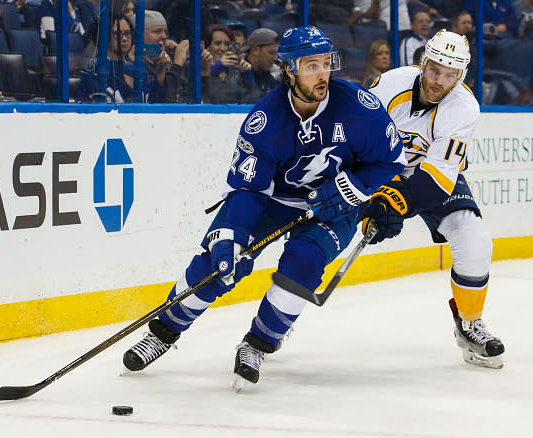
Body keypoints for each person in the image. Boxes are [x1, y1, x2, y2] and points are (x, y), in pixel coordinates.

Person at [122, 25, 406, 391]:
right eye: (311, 66)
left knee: (303, 263)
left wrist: (351, 188)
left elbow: (391, 161)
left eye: (326, 63)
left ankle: (258, 342)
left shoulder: (358, 109)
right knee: (218, 263)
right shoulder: (265, 120)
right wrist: (232, 236)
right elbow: (249, 189)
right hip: (272, 201)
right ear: (289, 70)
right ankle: (164, 331)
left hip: (334, 206)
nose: (323, 74)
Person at [359, 29, 506, 369]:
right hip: (382, 168)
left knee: (474, 239)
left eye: (450, 74)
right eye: (434, 69)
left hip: (431, 175)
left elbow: (438, 179)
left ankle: (470, 324)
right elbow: (357, 142)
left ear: (461, 75)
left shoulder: (464, 107)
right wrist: (376, 196)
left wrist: (394, 202)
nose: (439, 80)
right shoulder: (389, 84)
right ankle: (274, 327)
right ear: (422, 62)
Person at [484, 19, 533, 105]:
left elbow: (474, 46)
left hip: (493, 103)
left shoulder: (501, 44)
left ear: (521, 33)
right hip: (522, 106)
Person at [77, 15, 135, 102]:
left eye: (127, 33)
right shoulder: (93, 70)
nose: (124, 38)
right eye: (117, 34)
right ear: (104, 36)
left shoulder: (135, 65)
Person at [240, 27, 280, 103]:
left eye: (277, 53)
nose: (276, 58)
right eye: (271, 52)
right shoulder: (236, 73)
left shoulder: (268, 76)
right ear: (255, 50)